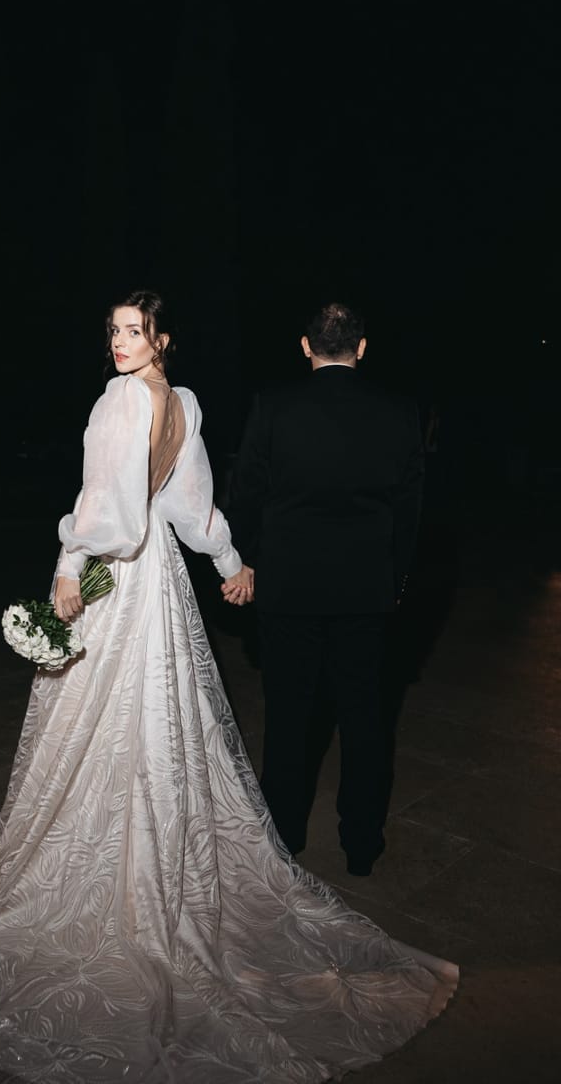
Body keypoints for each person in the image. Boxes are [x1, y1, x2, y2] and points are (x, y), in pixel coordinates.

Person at [0, 292, 455, 1083]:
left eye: (134, 331)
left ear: (162, 338)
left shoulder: (121, 401)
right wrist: (229, 562)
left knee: (102, 717)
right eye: (113, 332)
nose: (119, 344)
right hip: (165, 586)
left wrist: (64, 566)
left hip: (117, 577)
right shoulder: (182, 402)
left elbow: (109, 513)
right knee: (163, 719)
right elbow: (192, 508)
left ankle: (108, 868)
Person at [226, 300, 424, 876]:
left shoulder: (273, 407)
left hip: (289, 590)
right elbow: (409, 513)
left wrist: (248, 561)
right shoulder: (399, 412)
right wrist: (396, 582)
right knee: (365, 721)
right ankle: (361, 844)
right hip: (366, 593)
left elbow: (245, 497)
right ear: (361, 348)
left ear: (306, 346)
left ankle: (284, 839)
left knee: (289, 719)